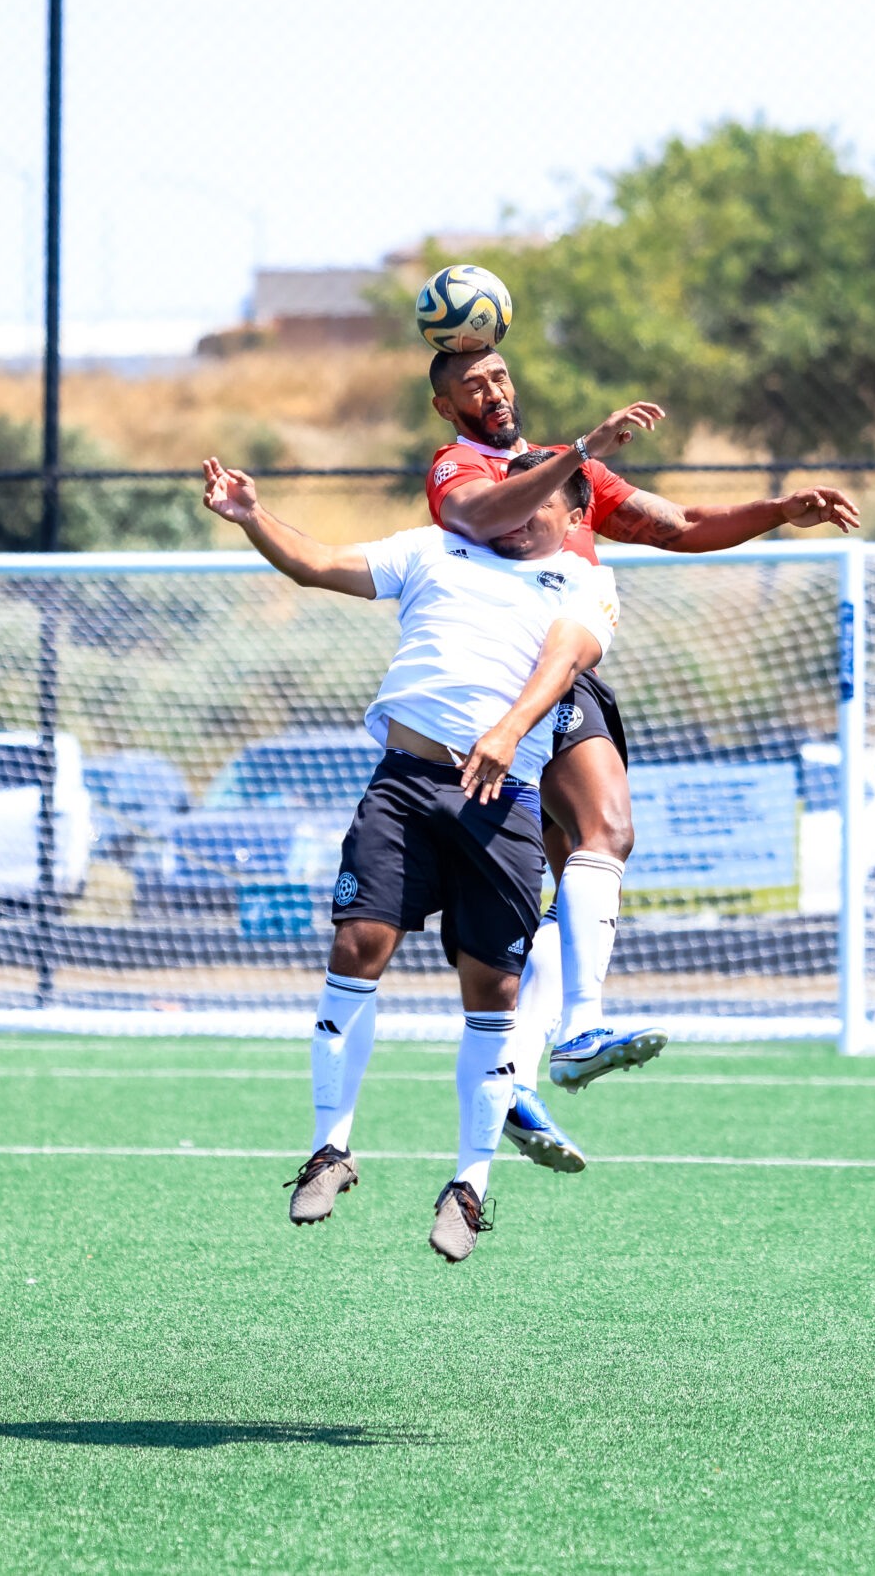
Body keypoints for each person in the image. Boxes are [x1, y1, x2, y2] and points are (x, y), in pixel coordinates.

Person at [418, 344, 863, 1173]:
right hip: (515, 680)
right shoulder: (461, 467)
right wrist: (580, 453)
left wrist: (779, 508)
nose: (493, 391)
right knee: (607, 831)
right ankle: (580, 1029)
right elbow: (480, 519)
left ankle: (514, 1079)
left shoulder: (562, 474)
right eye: (472, 385)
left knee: (568, 887)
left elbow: (682, 526)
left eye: (501, 376)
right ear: (447, 406)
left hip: (569, 675)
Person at [199, 451, 621, 1263]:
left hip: (503, 800)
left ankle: (469, 1184)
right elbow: (318, 564)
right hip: (404, 782)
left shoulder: (583, 582)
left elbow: (560, 662)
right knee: (356, 946)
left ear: (575, 519)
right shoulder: (434, 548)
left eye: (542, 503)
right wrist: (253, 516)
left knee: (492, 991)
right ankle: (330, 1150)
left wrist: (504, 733)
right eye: (510, 497)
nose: (520, 512)